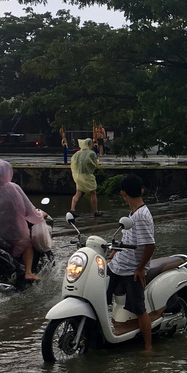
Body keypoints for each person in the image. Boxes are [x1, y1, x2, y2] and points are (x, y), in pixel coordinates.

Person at [0, 158, 50, 281]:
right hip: (11, 231)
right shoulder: (12, 188)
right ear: (6, 174)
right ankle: (28, 273)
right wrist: (40, 215)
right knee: (27, 243)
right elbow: (28, 210)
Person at [107, 174, 156, 351]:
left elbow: (150, 245)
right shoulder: (132, 213)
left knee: (139, 308)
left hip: (131, 269)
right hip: (118, 265)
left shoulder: (141, 216)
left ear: (123, 194)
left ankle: (148, 347)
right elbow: (124, 239)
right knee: (100, 294)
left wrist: (141, 268)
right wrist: (112, 255)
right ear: (141, 191)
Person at [71, 138, 102, 216]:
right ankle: (95, 211)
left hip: (78, 175)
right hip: (87, 175)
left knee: (78, 193)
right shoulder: (91, 153)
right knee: (93, 192)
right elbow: (94, 164)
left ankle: (72, 209)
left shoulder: (77, 153)